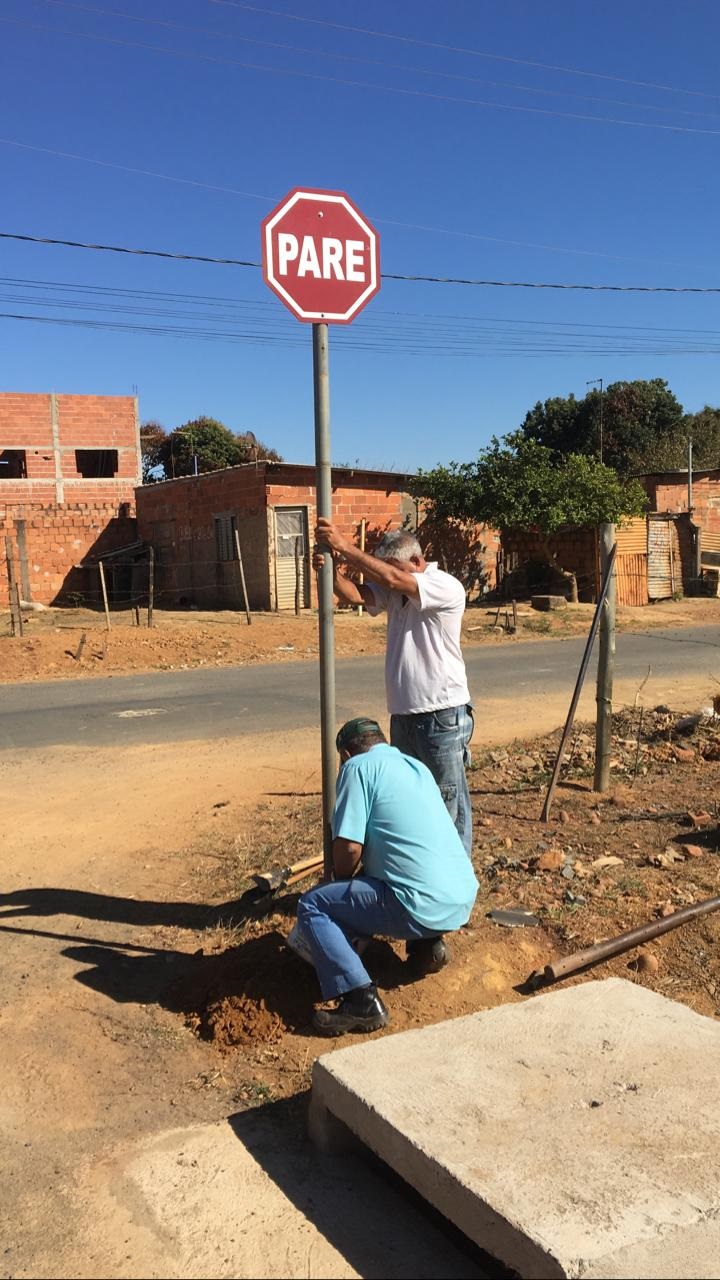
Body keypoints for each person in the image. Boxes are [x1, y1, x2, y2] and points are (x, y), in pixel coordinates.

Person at [295, 717, 479, 1037]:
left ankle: (361, 1001)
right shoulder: (414, 766)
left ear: (346, 755)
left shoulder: (357, 768)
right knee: (403, 872)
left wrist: (338, 881)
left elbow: (350, 848)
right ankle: (428, 948)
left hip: (417, 905)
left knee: (315, 905)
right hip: (460, 899)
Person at [313, 520, 474, 855]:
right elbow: (355, 594)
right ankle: (423, 870)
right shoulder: (398, 590)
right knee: (412, 800)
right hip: (404, 714)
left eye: (395, 569)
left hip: (440, 714)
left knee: (447, 802)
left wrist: (343, 546)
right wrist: (328, 570)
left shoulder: (443, 586)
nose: (388, 576)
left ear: (416, 561)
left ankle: (454, 877)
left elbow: (389, 579)